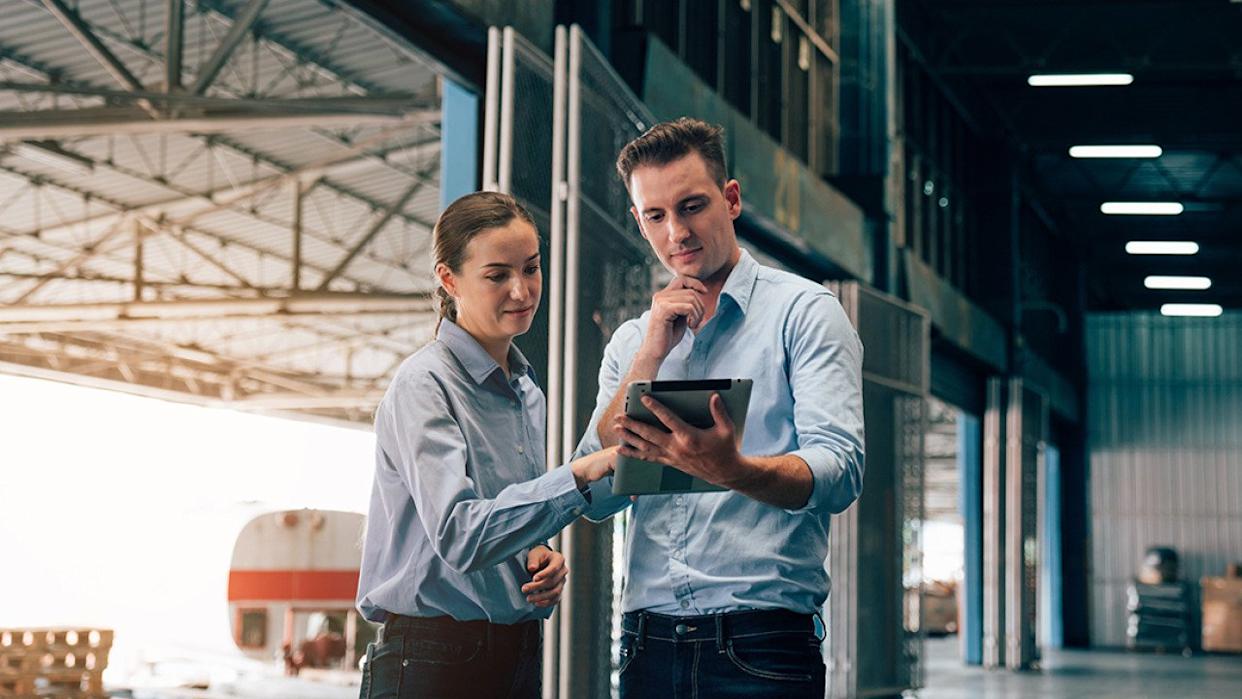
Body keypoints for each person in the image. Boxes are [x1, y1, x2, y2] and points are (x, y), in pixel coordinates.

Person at [573, 118, 866, 698]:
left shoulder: (804, 314)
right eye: (655, 216)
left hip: (762, 644)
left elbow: (840, 471)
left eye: (692, 206)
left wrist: (735, 470)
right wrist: (652, 353)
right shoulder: (633, 342)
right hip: (647, 644)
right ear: (639, 221)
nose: (676, 232)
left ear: (730, 200)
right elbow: (595, 498)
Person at [356, 191, 616, 699]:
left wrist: (537, 555)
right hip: (431, 660)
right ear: (449, 279)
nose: (522, 290)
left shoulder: (526, 391)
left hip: (515, 652)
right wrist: (578, 475)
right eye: (497, 275)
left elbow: (501, 517)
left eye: (531, 268)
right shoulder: (424, 384)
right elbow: (460, 534)